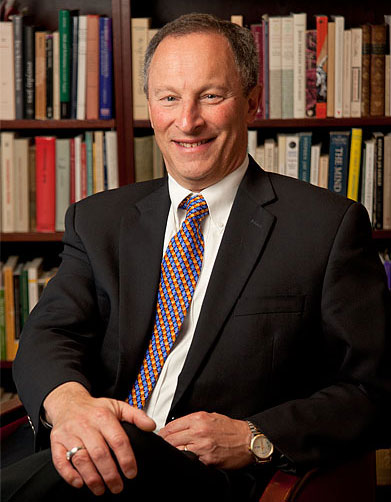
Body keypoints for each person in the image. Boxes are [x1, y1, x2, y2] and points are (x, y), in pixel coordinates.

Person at [2, 12, 391, 502]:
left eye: (211, 95)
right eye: (169, 98)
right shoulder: (98, 220)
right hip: (73, 453)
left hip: (201, 481)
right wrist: (72, 406)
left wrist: (253, 436)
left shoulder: (326, 228)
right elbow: (49, 332)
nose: (187, 121)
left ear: (252, 100)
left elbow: (371, 391)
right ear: (150, 107)